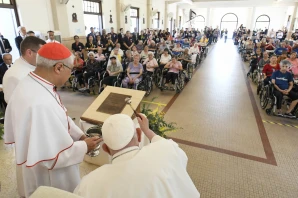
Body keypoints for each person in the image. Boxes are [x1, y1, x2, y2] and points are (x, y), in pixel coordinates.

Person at [4, 42, 102, 197]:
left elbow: (60, 115)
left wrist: (80, 135)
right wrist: (84, 146)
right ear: (59, 68)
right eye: (71, 70)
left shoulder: (32, 83)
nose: (71, 74)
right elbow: (52, 157)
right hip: (50, 177)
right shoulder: (39, 103)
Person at [74, 114, 199, 198]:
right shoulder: (166, 150)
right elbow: (172, 150)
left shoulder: (89, 184)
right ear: (139, 135)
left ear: (105, 148)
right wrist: (147, 131)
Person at [3, 36, 46, 103]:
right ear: (29, 53)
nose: (44, 57)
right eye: (42, 53)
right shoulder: (14, 75)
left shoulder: (34, 66)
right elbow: (14, 105)